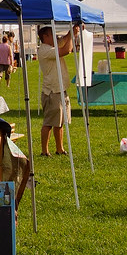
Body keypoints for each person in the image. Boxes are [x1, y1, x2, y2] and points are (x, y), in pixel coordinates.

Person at [37, 23, 79, 157]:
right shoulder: (44, 50)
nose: (55, 36)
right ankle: (44, 151)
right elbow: (66, 50)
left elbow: (63, 41)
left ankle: (59, 148)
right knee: (49, 123)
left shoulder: (51, 46)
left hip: (60, 89)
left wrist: (71, 32)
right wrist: (73, 35)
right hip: (52, 92)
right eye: (52, 34)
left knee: (60, 122)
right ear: (45, 36)